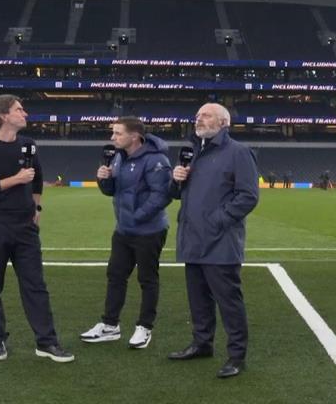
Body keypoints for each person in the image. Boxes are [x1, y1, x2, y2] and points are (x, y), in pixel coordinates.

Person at [0, 94, 74, 363]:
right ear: (4, 115)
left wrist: (36, 207)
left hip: (25, 226)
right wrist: (15, 180)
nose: (25, 113)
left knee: (35, 285)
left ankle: (46, 342)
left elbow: (37, 179)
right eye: (19, 109)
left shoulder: (29, 145)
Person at [167, 103, 259, 378]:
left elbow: (248, 196)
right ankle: (202, 343)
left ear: (223, 122)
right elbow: (177, 193)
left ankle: (236, 356)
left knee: (229, 302)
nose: (199, 119)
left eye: (206, 115)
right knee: (198, 300)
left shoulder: (238, 152)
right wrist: (176, 179)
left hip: (220, 241)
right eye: (197, 115)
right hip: (192, 238)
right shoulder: (193, 151)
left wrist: (217, 220)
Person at [80, 116, 172, 349]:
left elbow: (162, 195)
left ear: (134, 136)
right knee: (116, 276)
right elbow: (113, 191)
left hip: (149, 231)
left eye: (118, 133)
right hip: (123, 230)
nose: (113, 137)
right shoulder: (119, 157)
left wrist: (137, 216)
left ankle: (145, 327)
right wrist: (103, 180)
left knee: (147, 279)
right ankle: (110, 325)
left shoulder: (156, 160)